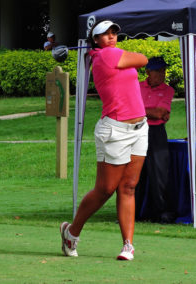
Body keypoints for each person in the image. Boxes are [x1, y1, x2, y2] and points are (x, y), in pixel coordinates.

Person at [60, 20, 148, 261]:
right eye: (104, 34)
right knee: (105, 189)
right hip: (115, 129)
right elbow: (142, 59)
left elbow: (138, 59)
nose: (111, 37)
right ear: (95, 40)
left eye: (114, 33)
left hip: (140, 128)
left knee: (128, 187)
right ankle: (71, 232)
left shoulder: (110, 54)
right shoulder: (106, 56)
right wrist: (127, 54)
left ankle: (128, 245)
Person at [135, 56, 175, 223]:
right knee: (134, 174)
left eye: (163, 70)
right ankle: (133, 213)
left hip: (155, 132)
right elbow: (129, 107)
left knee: (159, 173)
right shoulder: (136, 87)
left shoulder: (168, 90)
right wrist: (147, 111)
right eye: (158, 70)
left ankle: (163, 212)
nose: (162, 73)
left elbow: (160, 113)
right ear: (148, 72)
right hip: (136, 131)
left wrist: (139, 110)